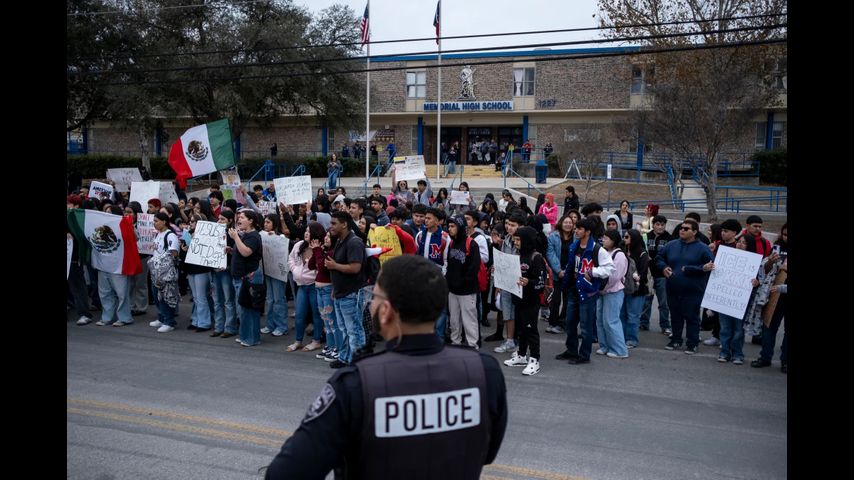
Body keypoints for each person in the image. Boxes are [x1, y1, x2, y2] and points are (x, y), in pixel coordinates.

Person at [264, 255, 508, 479]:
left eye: (375, 296)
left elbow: (284, 474)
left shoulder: (354, 384)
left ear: (386, 311)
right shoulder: (485, 371)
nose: (371, 303)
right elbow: (487, 452)